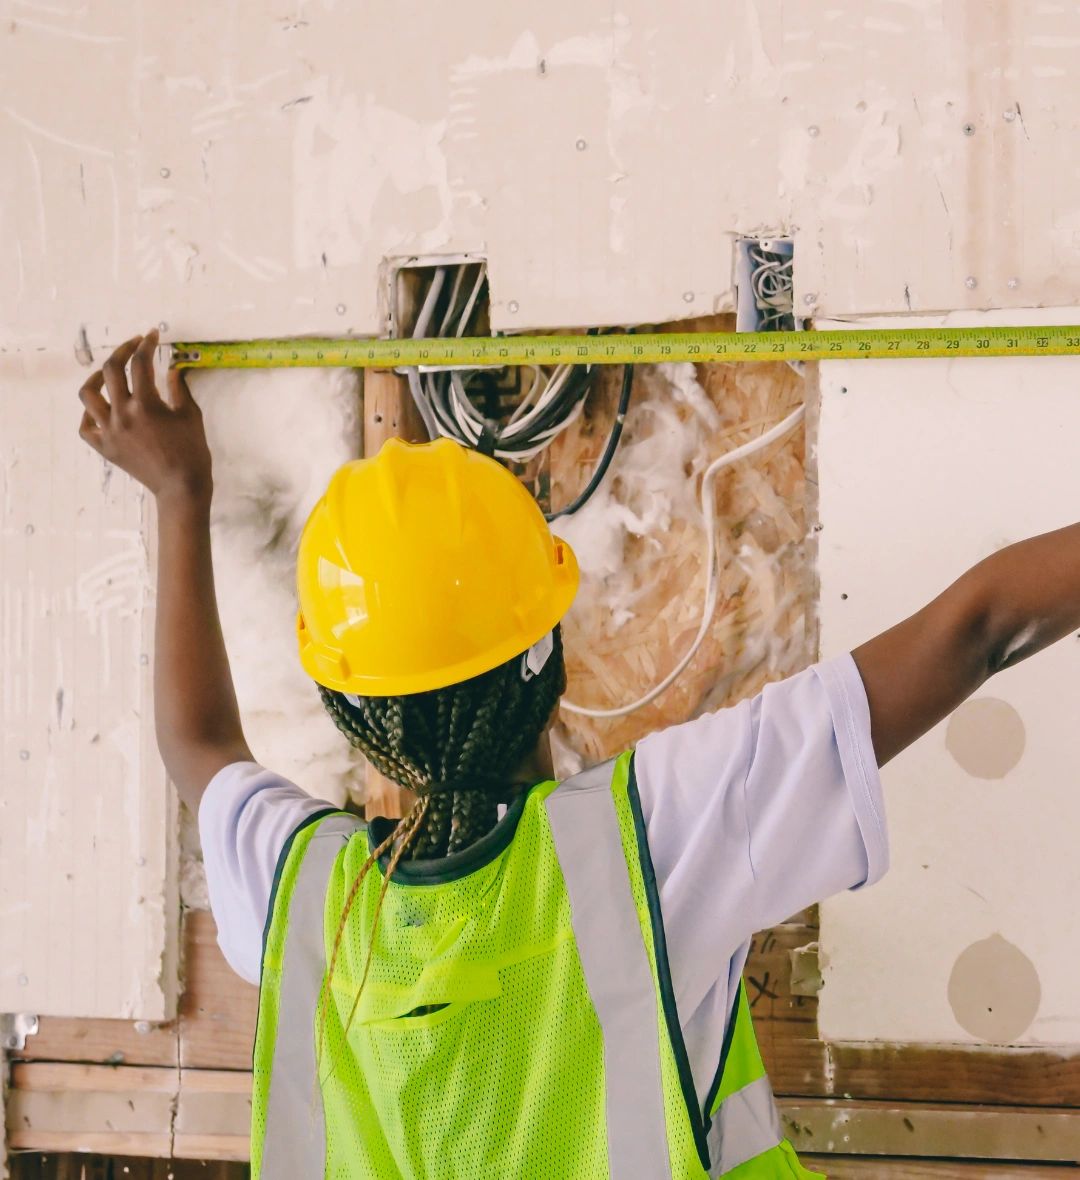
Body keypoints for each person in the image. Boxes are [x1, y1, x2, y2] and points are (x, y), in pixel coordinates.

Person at [78, 329, 1075, 1179]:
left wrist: (178, 487)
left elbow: (196, 741)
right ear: (546, 651)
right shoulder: (660, 837)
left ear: (348, 706)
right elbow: (978, 627)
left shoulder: (301, 900)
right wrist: (182, 488)